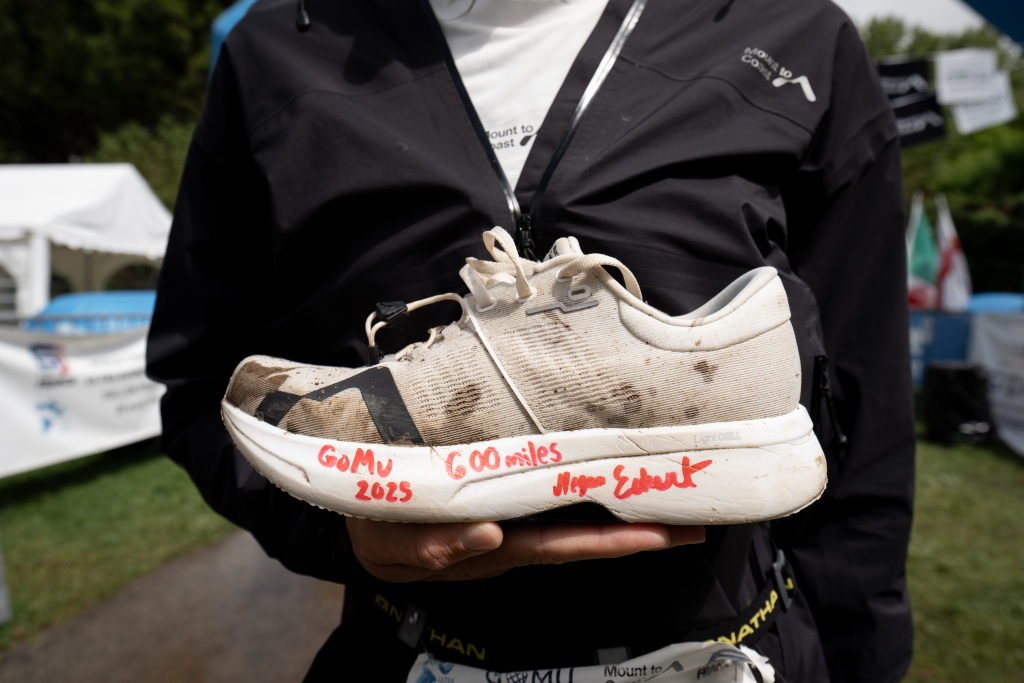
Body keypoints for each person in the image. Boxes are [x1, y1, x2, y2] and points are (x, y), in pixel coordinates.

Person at [146, 0, 915, 680]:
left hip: (745, 641)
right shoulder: (272, 50)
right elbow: (207, 388)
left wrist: (864, 659)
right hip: (402, 648)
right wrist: (335, 532)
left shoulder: (798, 35)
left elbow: (867, 408)